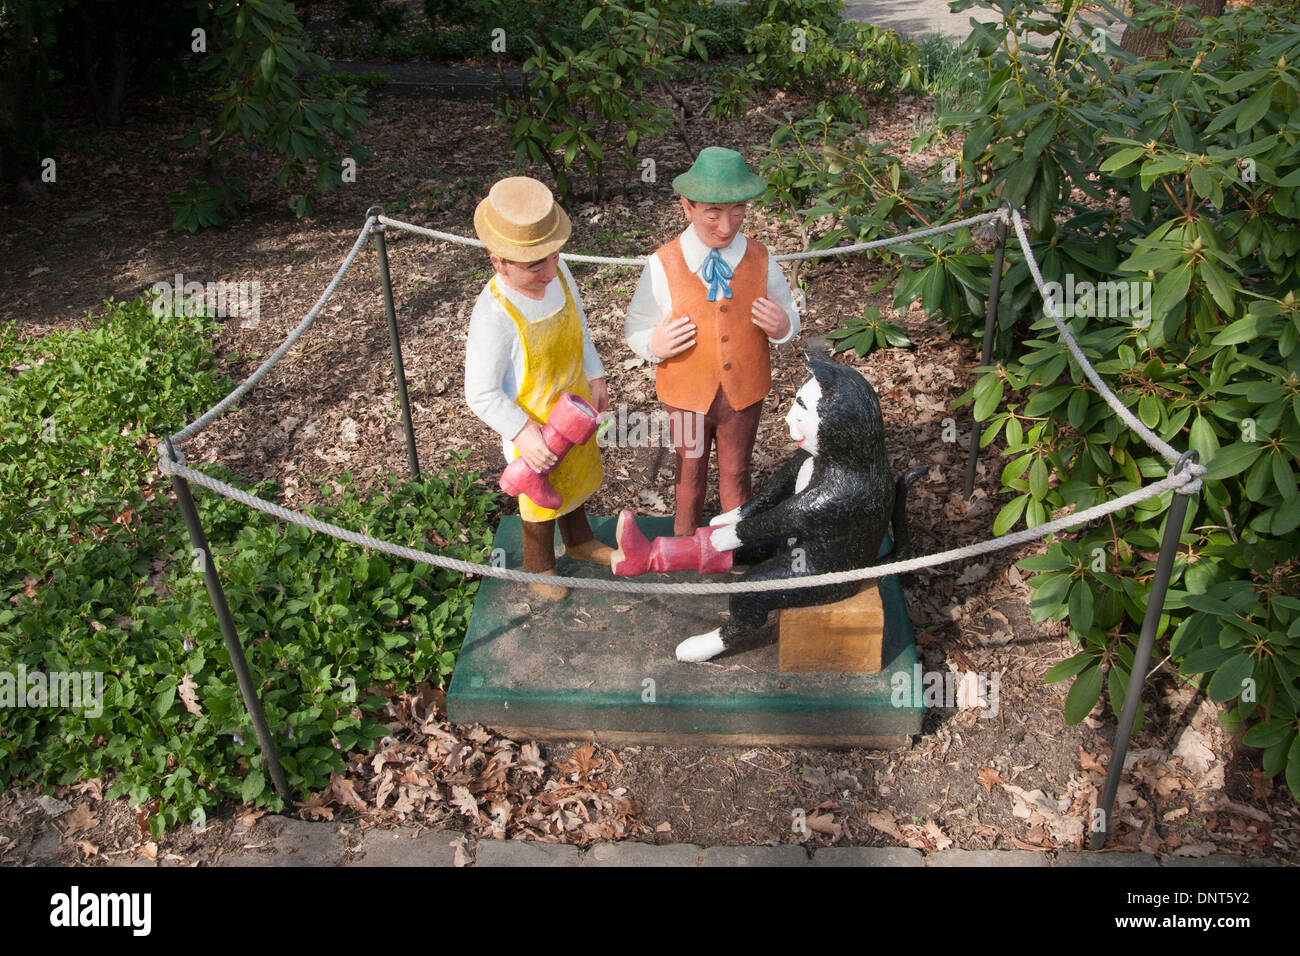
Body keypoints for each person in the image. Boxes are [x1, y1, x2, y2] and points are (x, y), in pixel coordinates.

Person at [624, 146, 800, 536]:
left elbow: (788, 312)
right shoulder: (663, 263)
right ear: (687, 208)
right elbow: (636, 324)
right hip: (686, 393)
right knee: (689, 472)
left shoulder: (760, 257)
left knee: (737, 472)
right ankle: (685, 540)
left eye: (737, 211)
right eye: (713, 213)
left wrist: (783, 326)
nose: (726, 226)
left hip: (744, 390)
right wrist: (655, 344)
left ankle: (732, 545)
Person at [464, 176, 613, 601]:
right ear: (499, 261)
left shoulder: (558, 271)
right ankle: (539, 566)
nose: (549, 271)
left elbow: (578, 327)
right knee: (540, 494)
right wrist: (522, 432)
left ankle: (580, 541)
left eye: (553, 257)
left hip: (575, 405)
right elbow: (480, 392)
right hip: (532, 424)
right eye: (535, 266)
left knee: (576, 477)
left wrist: (596, 373)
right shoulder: (494, 314)